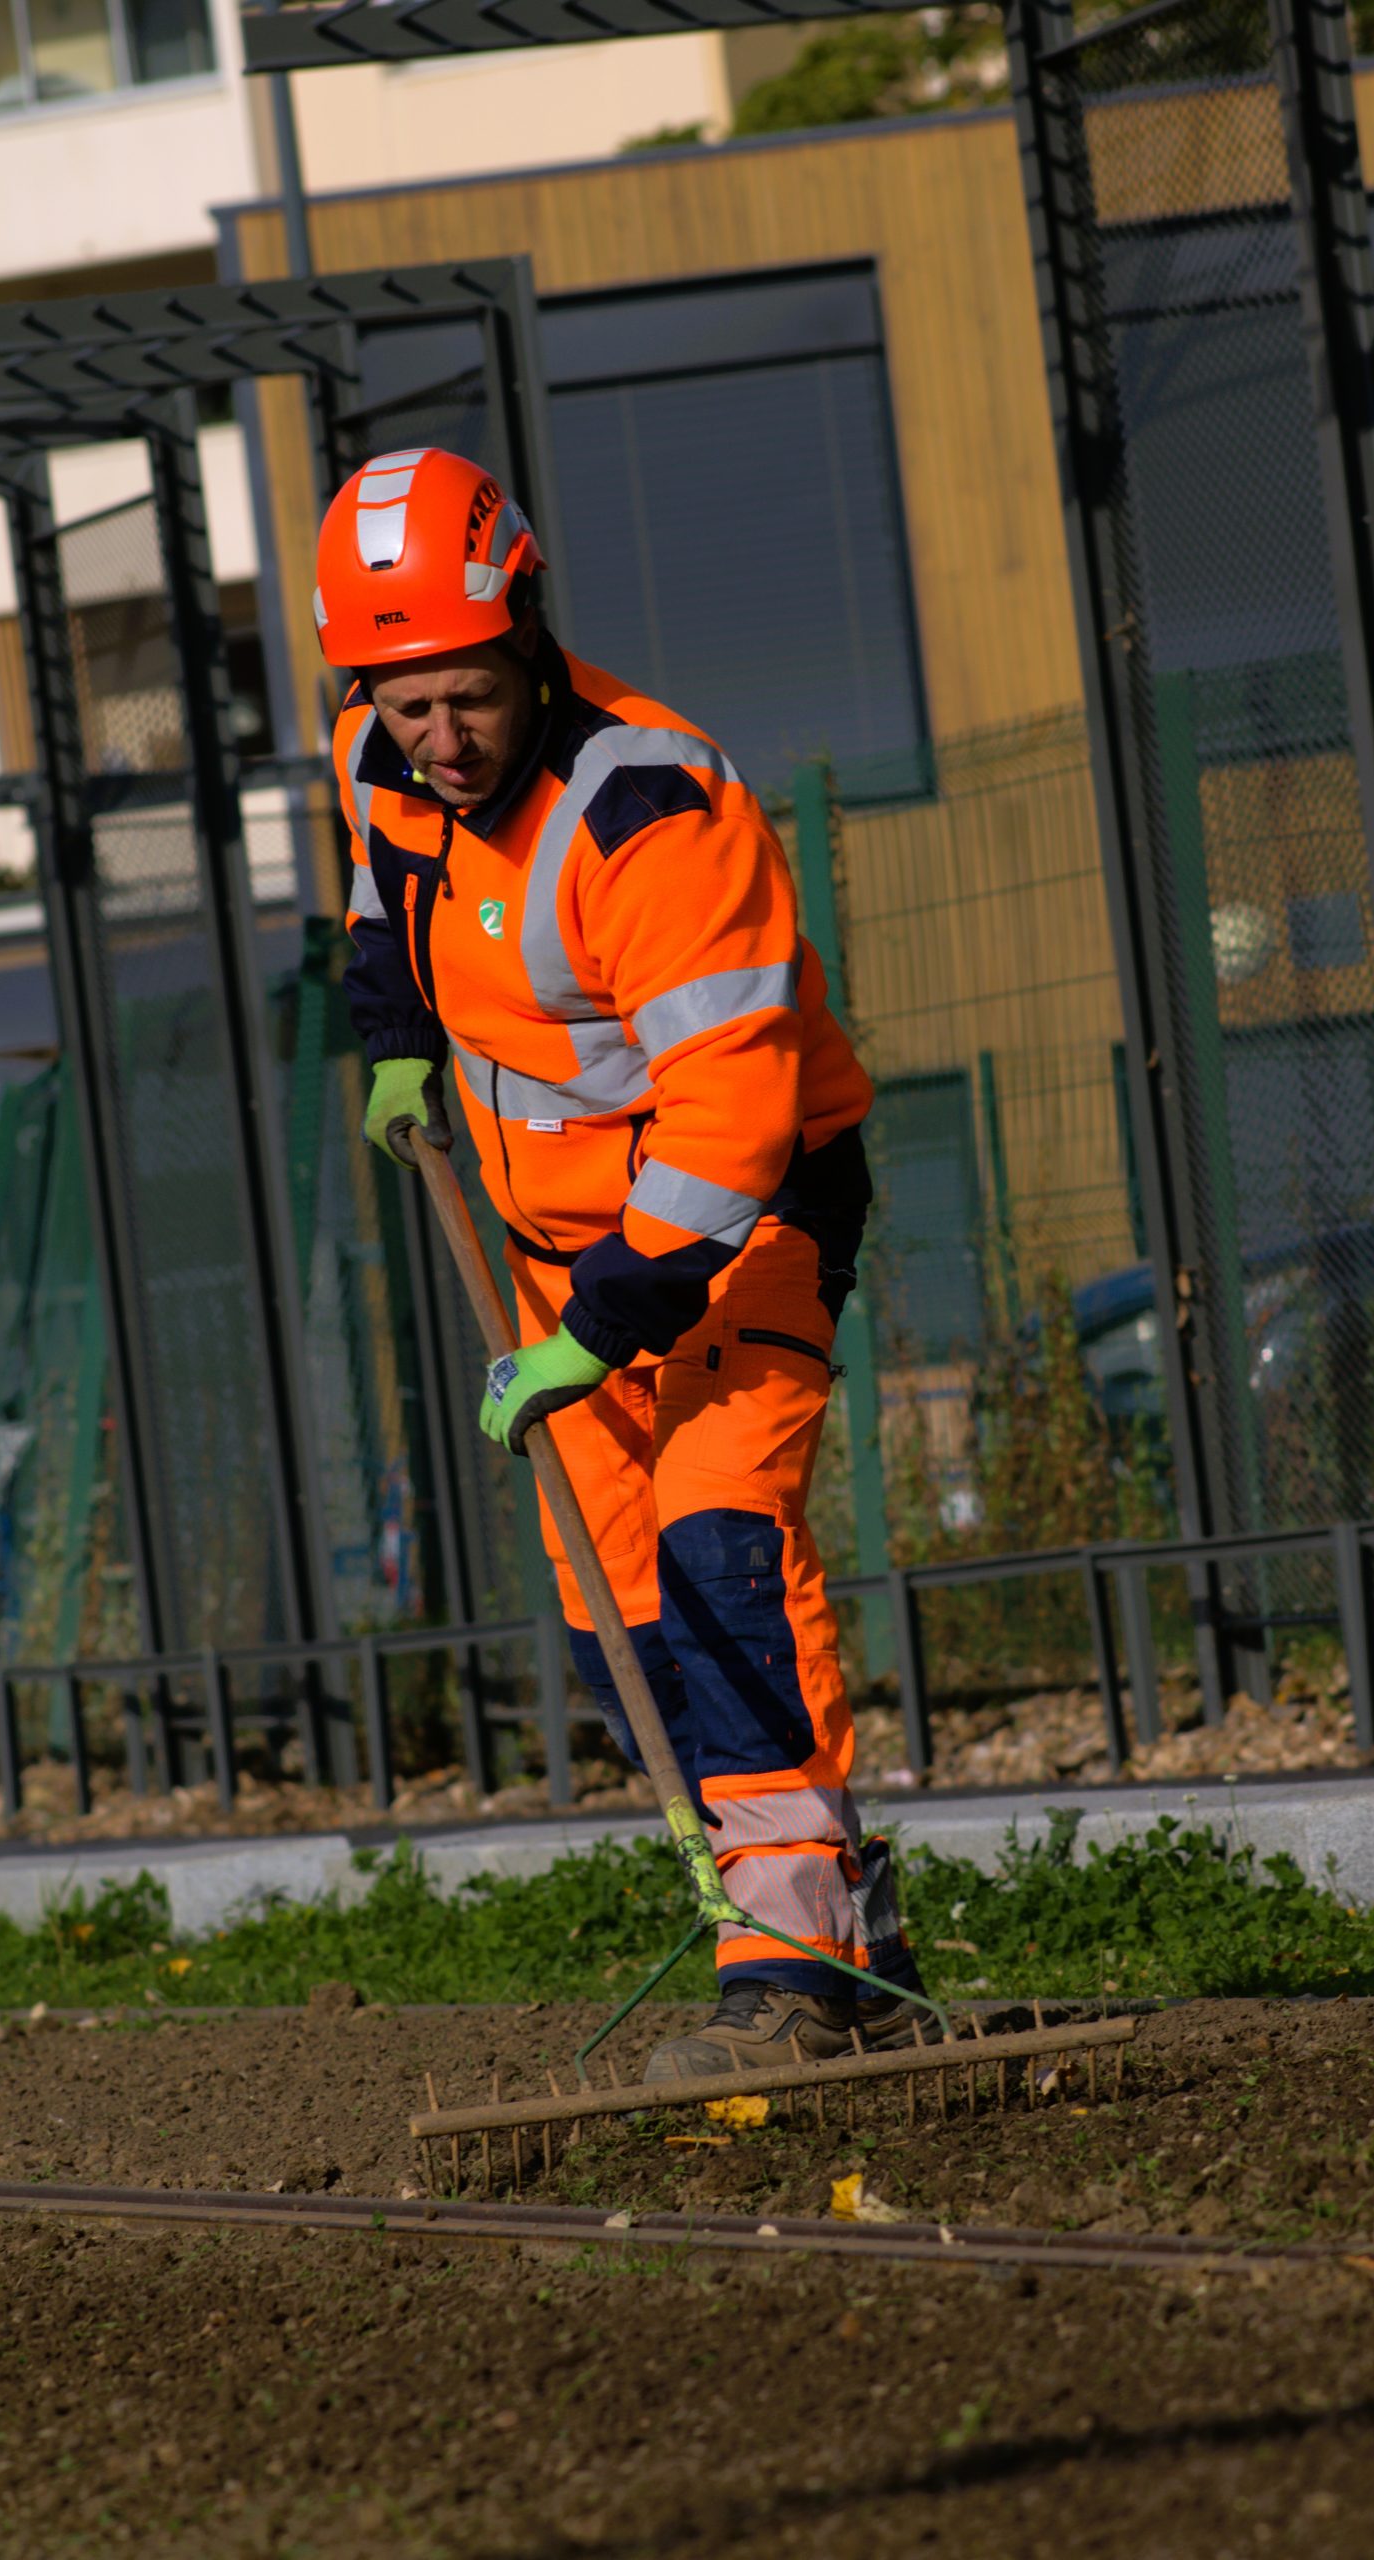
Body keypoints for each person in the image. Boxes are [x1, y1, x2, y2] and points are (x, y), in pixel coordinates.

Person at [315, 445, 929, 2080]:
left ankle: (784, 1965)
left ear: (526, 634)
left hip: (739, 1223)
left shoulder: (650, 809)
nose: (437, 743)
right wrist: (392, 1043)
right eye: (402, 703)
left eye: (466, 700)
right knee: (616, 1602)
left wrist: (612, 1322)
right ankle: (850, 1937)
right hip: (549, 1250)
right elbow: (381, 902)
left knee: (721, 1543)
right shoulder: (376, 751)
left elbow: (732, 1113)